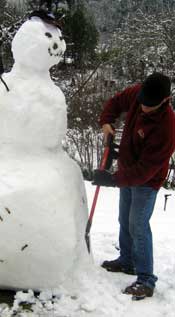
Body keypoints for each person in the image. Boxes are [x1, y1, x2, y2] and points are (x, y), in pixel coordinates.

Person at [93, 72, 175, 299]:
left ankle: (146, 279)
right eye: (142, 102)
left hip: (146, 182)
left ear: (165, 100)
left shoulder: (167, 126)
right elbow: (115, 102)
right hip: (128, 172)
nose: (144, 107)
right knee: (124, 219)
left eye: (150, 105)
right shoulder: (138, 95)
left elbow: (145, 170)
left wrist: (112, 179)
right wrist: (107, 123)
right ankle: (127, 260)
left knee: (138, 225)